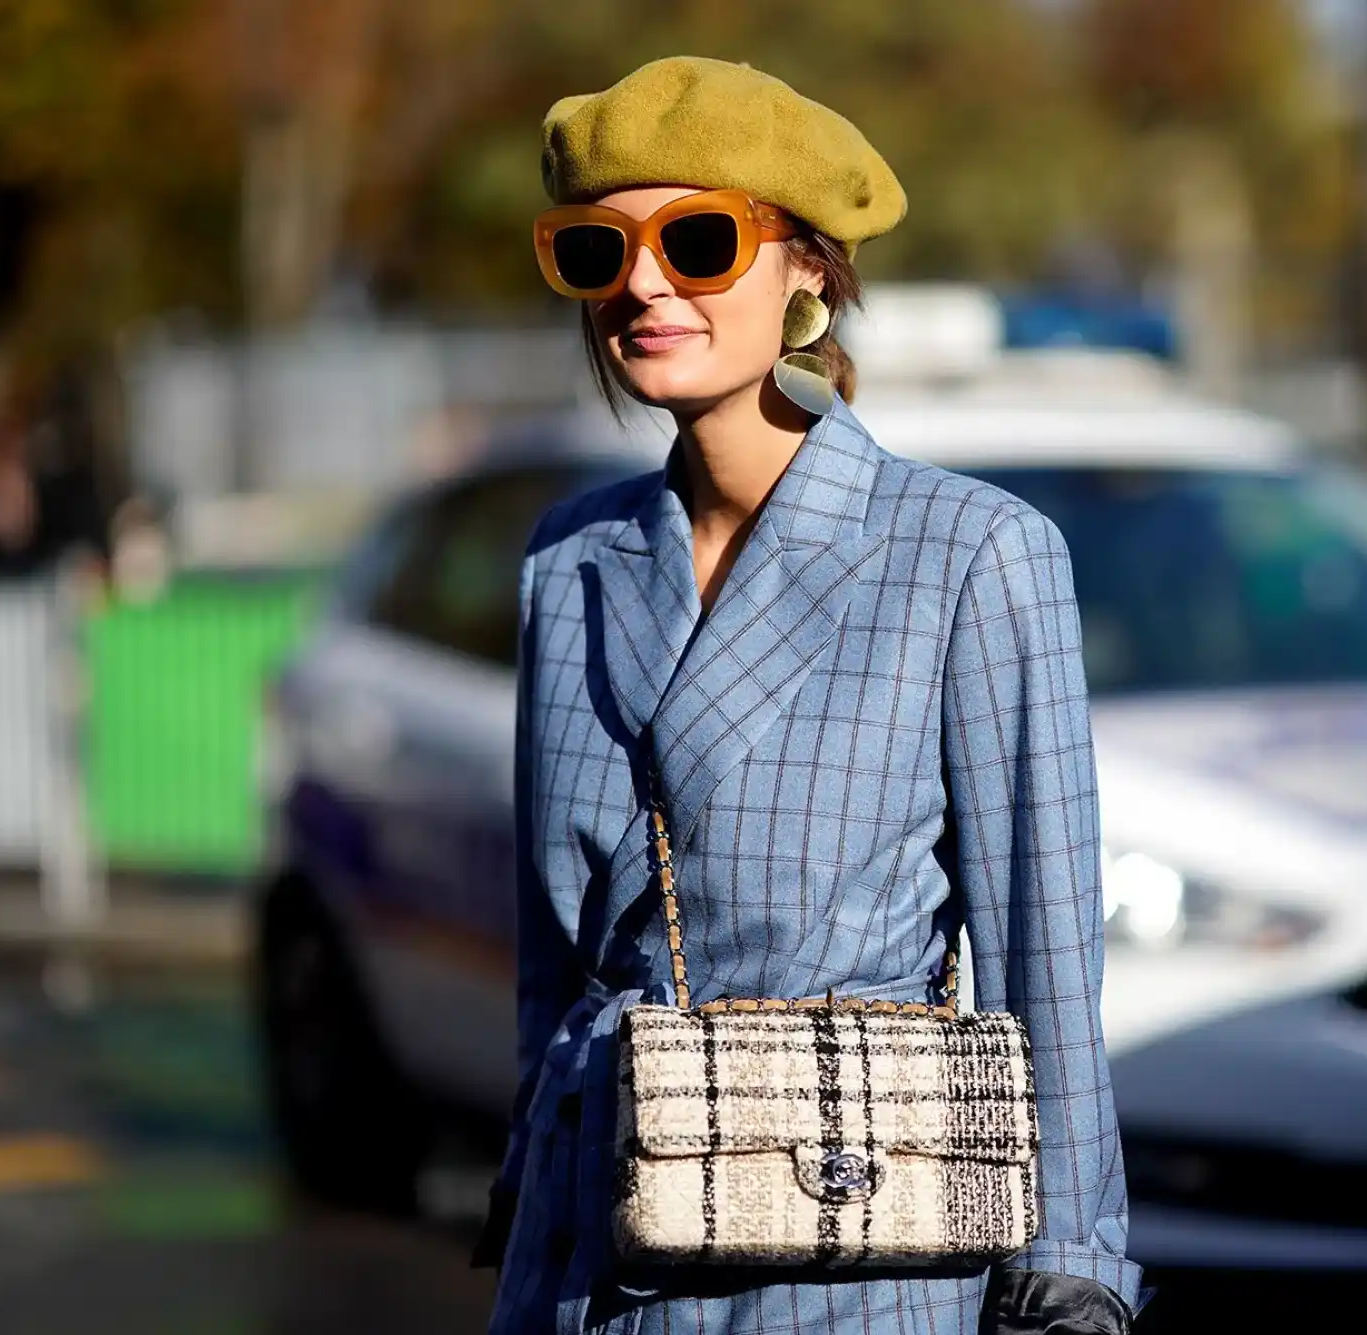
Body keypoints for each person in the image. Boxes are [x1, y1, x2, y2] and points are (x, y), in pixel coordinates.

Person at [474, 57, 1142, 1335]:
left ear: (806, 274)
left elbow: (1040, 951)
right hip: (592, 1257)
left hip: (853, 1245)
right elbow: (547, 962)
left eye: (700, 240)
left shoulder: (968, 553)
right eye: (593, 250)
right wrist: (529, 1174)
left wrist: (1075, 1264)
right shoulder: (568, 560)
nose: (644, 283)